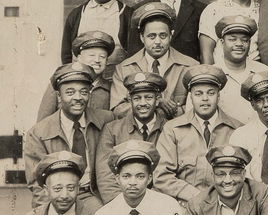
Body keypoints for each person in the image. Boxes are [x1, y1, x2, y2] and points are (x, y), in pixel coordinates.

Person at [24, 63, 115, 206]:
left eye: (84, 92)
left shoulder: (106, 121)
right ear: (59, 96)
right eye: (70, 92)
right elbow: (38, 185)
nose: (78, 97)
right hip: (58, 199)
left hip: (95, 196)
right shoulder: (38, 133)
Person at [153, 65, 242, 204]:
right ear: (191, 97)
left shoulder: (237, 130)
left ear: (219, 96)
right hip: (184, 205)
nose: (205, 98)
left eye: (211, 93)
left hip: (225, 204)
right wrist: (195, 196)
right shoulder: (173, 129)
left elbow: (244, 176)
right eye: (198, 93)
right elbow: (161, 176)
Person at [110, 2, 198, 121]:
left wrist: (175, 111)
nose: (157, 42)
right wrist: (156, 103)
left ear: (171, 36)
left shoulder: (190, 67)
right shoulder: (124, 68)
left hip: (177, 132)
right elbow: (118, 110)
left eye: (163, 36)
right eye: (151, 36)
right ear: (142, 37)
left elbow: (196, 109)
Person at [95, 71, 167, 201]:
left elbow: (167, 175)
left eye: (149, 97)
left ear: (157, 100)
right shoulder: (112, 130)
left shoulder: (169, 129)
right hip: (123, 202)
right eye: (137, 98)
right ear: (130, 100)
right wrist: (122, 207)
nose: (143, 103)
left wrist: (155, 204)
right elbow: (105, 177)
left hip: (159, 202)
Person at [62, 0, 132, 65]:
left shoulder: (127, 14)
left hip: (116, 78)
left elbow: (135, 54)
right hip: (83, 77)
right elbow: (66, 54)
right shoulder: (76, 14)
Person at [36, 30, 117, 120]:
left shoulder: (112, 88)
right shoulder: (60, 84)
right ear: (79, 58)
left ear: (107, 61)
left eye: (102, 56)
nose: (97, 60)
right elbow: (42, 122)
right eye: (91, 55)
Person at [210, 14, 268, 125]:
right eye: (232, 39)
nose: (239, 44)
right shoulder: (211, 74)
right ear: (222, 42)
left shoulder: (264, 72)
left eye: (244, 40)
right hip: (224, 139)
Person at [197, 0, 261, 66]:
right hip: (223, 76)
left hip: (253, 77)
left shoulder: (261, 10)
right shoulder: (214, 9)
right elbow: (206, 54)